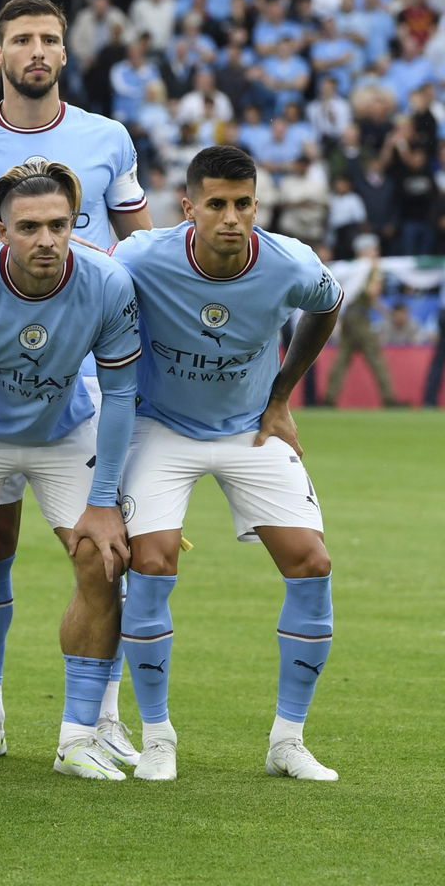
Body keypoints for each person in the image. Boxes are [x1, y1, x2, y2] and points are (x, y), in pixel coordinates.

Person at [0, 0, 152, 769]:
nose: (36, 50)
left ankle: (98, 724)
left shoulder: (107, 136)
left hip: (81, 375)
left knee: (104, 549)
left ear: (65, 51)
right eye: (21, 39)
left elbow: (143, 247)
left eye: (49, 39)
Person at [115, 145, 344, 781]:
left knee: (313, 562)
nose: (231, 217)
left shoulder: (290, 262)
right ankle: (157, 738)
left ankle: (288, 741)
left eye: (243, 204)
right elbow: (97, 306)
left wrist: (280, 396)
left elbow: (328, 305)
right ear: (187, 207)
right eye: (216, 204)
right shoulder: (141, 255)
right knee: (152, 560)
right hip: (160, 427)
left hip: (250, 429)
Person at [0, 160, 141, 781]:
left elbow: (120, 396)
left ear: (74, 224)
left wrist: (101, 500)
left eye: (59, 225)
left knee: (104, 555)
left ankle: (78, 738)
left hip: (62, 433)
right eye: (29, 226)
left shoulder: (107, 281)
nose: (46, 239)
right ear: (0, 229)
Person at [324, 233, 403, 406]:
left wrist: (386, 311)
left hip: (348, 316)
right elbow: (372, 293)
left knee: (342, 359)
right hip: (360, 318)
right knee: (375, 357)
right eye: (374, 249)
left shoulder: (350, 269)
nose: (377, 252)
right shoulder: (368, 268)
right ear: (366, 251)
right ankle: (389, 398)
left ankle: (329, 398)